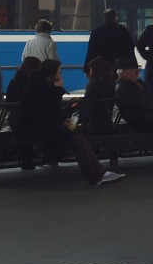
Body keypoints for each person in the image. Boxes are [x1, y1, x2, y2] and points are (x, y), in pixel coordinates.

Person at [17, 59, 124, 187]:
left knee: (79, 137)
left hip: (41, 127)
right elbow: (47, 113)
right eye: (59, 73)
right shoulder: (42, 88)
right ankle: (96, 176)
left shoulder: (39, 85)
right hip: (37, 129)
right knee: (77, 139)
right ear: (51, 74)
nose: (60, 76)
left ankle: (99, 173)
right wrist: (58, 92)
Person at [78, 56, 117, 139]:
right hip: (105, 121)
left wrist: (78, 101)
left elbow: (87, 103)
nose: (90, 73)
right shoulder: (110, 83)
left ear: (96, 71)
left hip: (94, 122)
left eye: (91, 70)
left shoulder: (95, 85)